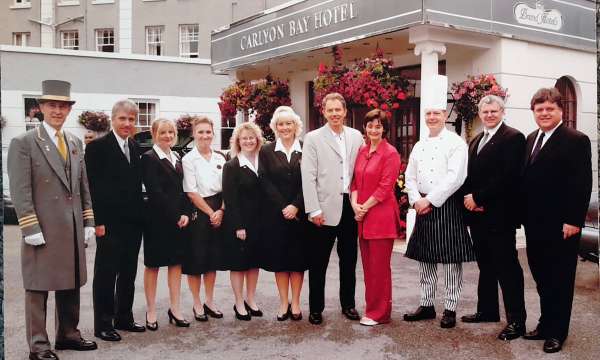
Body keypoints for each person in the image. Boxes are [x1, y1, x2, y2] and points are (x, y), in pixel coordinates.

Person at [8, 80, 98, 360]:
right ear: (41, 108)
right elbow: (20, 190)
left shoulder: (73, 142)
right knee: (37, 286)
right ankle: (38, 345)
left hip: (71, 226)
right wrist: (29, 226)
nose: (58, 111)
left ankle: (68, 334)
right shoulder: (24, 142)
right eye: (52, 105)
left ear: (69, 110)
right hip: (43, 227)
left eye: (63, 106)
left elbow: (83, 186)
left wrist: (88, 221)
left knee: (70, 281)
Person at [520, 88, 592, 353]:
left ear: (561, 110)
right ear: (534, 113)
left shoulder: (576, 140)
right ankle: (545, 323)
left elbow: (582, 184)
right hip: (534, 224)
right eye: (540, 109)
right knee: (541, 277)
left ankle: (557, 332)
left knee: (560, 279)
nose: (545, 113)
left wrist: (574, 220)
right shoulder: (530, 139)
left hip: (563, 226)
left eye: (550, 108)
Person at [403, 75, 475, 329]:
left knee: (451, 261)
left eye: (436, 113)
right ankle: (427, 304)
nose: (432, 117)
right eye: (428, 113)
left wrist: (430, 201)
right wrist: (415, 200)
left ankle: (451, 308)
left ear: (444, 116)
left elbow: (456, 177)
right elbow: (409, 176)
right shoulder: (419, 145)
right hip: (422, 205)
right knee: (426, 260)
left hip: (446, 207)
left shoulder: (456, 143)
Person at [460, 95, 527, 340]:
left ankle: (517, 322)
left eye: (494, 111)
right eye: (485, 111)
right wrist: (468, 200)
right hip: (477, 217)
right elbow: (470, 175)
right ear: (480, 114)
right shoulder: (476, 139)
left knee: (507, 268)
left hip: (500, 216)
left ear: (502, 111)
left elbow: (508, 177)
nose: (489, 115)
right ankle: (487, 311)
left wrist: (478, 198)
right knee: (486, 266)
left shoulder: (513, 138)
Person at [301, 92, 364, 325]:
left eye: (338, 109)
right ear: (324, 112)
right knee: (318, 262)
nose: (335, 114)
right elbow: (308, 176)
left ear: (345, 111)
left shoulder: (357, 136)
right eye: (330, 110)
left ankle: (348, 304)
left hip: (349, 206)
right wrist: (313, 210)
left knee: (349, 261)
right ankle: (316, 308)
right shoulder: (313, 138)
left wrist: (361, 203)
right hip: (323, 209)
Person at [85, 99, 146, 342]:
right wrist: (97, 222)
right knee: (106, 274)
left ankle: (124, 317)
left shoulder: (135, 146)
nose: (127, 123)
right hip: (108, 224)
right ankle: (103, 324)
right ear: (113, 119)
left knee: (128, 272)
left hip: (133, 224)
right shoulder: (97, 147)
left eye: (131, 119)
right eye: (123, 118)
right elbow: (93, 188)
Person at [350, 109, 402, 326]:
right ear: (365, 127)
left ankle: (378, 313)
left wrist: (364, 207)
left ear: (384, 129)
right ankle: (372, 309)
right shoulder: (362, 151)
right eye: (370, 125)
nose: (373, 129)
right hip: (362, 215)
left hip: (380, 216)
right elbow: (354, 182)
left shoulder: (390, 153)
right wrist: (355, 205)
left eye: (378, 126)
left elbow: (384, 188)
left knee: (380, 268)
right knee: (369, 268)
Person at [258, 106, 308, 321]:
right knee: (280, 261)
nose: (285, 127)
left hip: (300, 214)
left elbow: (311, 180)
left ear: (296, 126)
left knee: (297, 261)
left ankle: (295, 303)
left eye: (289, 123)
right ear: (275, 127)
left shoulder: (306, 148)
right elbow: (264, 180)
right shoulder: (266, 151)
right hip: (276, 216)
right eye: (281, 124)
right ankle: (282, 303)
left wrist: (296, 205)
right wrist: (283, 206)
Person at [141, 119, 191, 330]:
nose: (168, 136)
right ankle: (151, 310)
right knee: (153, 266)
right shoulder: (148, 158)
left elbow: (183, 189)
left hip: (178, 220)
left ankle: (175, 309)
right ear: (154, 134)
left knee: (175, 264)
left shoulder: (177, 156)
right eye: (163, 132)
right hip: (157, 221)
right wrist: (176, 215)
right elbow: (155, 192)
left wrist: (186, 213)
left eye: (171, 132)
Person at [182, 116, 227, 321]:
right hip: (199, 211)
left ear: (213, 133)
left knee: (212, 259)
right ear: (194, 134)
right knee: (196, 260)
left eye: (208, 132)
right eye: (200, 132)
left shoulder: (220, 157)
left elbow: (228, 188)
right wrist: (211, 213)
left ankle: (209, 300)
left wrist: (222, 211)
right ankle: (197, 303)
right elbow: (191, 192)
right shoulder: (188, 159)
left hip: (219, 209)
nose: (205, 136)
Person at [222, 122, 264, 320]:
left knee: (254, 263)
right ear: (238, 141)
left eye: (251, 137)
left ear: (257, 140)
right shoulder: (232, 165)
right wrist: (239, 226)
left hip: (259, 222)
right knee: (239, 264)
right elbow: (230, 199)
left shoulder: (262, 161)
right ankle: (239, 302)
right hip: (240, 223)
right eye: (244, 138)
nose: (248, 141)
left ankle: (250, 299)